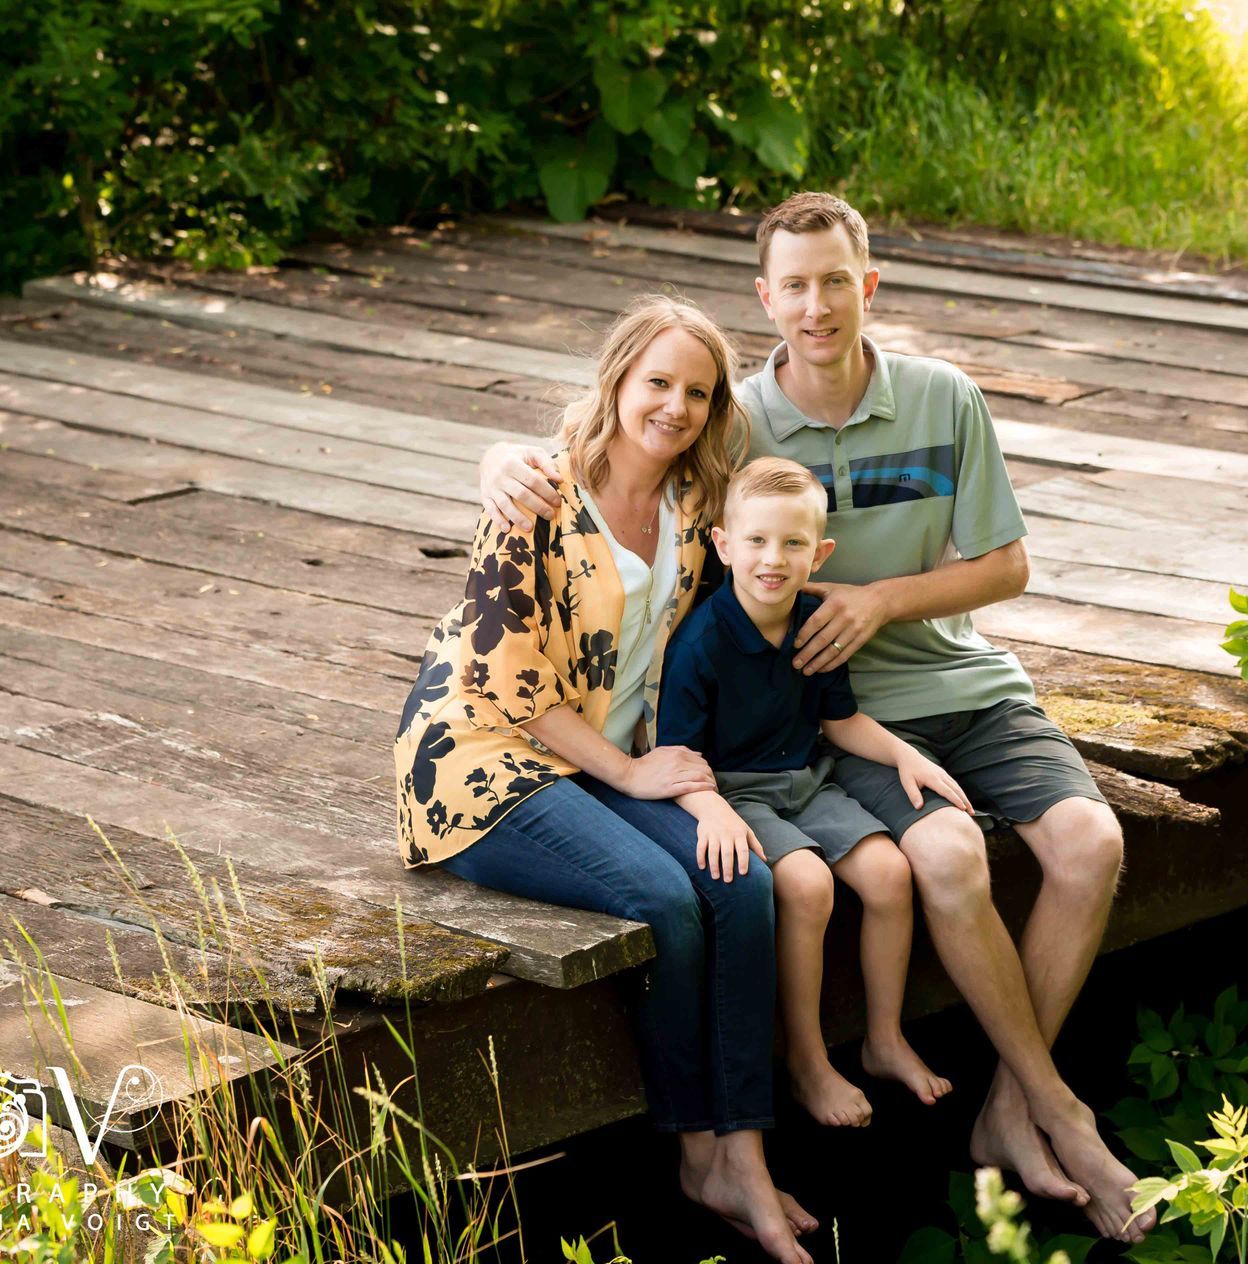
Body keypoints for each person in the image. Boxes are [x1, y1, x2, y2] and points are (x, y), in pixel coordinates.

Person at [476, 193, 1156, 1242]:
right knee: (930, 863)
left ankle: (1017, 1108)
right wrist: (494, 466)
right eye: (794, 284)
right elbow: (624, 452)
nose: (817, 304)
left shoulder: (944, 398)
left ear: (868, 284)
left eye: (835, 279)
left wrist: (880, 599)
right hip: (842, 715)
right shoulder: (735, 419)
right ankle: (1052, 1109)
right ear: (766, 299)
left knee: (1091, 839)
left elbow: (1009, 563)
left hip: (963, 687)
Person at [395, 296, 819, 1264]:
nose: (674, 406)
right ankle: (693, 1146)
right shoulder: (537, 496)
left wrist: (698, 787)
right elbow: (505, 686)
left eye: (697, 393)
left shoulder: (697, 512)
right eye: (657, 382)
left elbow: (689, 661)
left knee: (743, 881)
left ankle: (743, 1152)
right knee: (665, 895)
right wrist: (632, 770)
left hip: (614, 757)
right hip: (483, 765)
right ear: (618, 381)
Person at [657, 455, 961, 1130]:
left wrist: (905, 755)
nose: (773, 559)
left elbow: (838, 718)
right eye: (758, 541)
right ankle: (807, 1058)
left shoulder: (814, 620)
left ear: (820, 551)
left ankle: (883, 1040)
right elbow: (675, 756)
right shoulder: (702, 643)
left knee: (888, 872)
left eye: (793, 544)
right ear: (724, 544)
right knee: (807, 885)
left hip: (806, 779)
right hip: (734, 792)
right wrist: (708, 808)